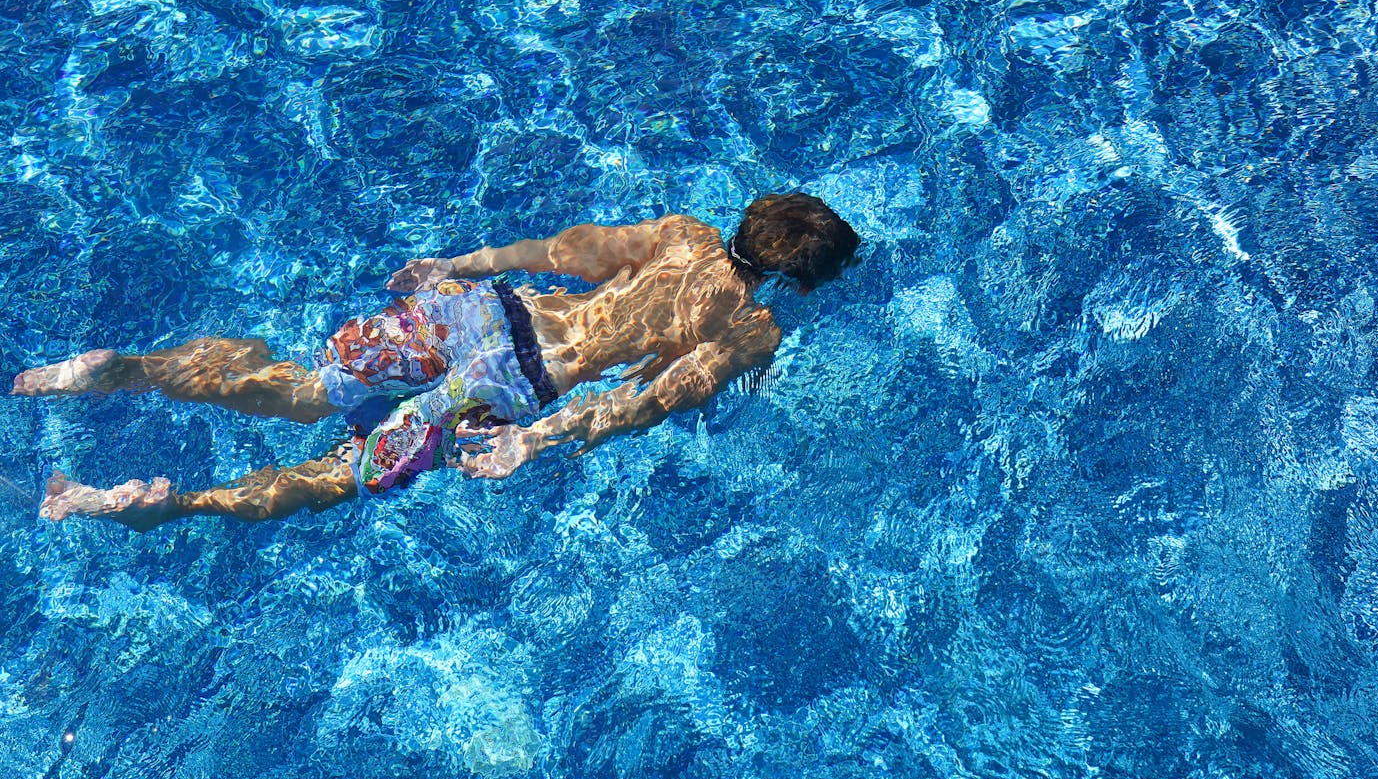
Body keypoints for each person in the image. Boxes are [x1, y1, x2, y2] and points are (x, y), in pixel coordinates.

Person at [12, 194, 860, 531]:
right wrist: (541, 441)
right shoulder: (751, 330)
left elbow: (564, 251)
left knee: (304, 388)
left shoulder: (683, 234)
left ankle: (123, 369)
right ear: (794, 276)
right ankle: (156, 503)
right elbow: (644, 403)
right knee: (336, 473)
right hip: (509, 385)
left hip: (481, 311)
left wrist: (462, 264)